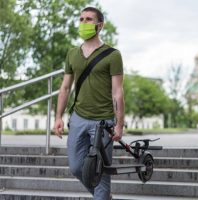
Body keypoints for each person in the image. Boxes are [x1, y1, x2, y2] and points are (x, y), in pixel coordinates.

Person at [54, 7, 124, 200]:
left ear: (99, 26)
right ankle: (103, 197)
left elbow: (117, 92)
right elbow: (65, 88)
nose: (83, 23)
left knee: (100, 173)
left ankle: (101, 196)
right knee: (76, 167)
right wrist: (58, 117)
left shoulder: (112, 55)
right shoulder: (72, 54)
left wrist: (119, 124)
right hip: (78, 118)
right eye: (81, 19)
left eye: (89, 19)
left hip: (103, 122)